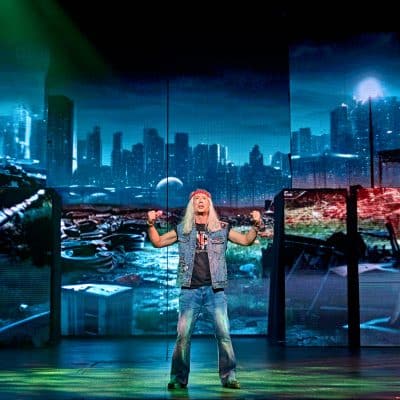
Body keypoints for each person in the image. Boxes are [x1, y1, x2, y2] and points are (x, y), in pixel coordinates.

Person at [146, 188, 263, 390]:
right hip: (189, 290)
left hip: (215, 291)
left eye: (204, 199)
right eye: (196, 199)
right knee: (183, 337)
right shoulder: (183, 229)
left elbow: (246, 240)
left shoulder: (222, 228)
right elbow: (157, 242)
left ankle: (229, 377)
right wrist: (150, 224)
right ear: (192, 205)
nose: (200, 201)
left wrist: (256, 225)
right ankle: (178, 378)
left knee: (224, 335)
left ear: (210, 204)